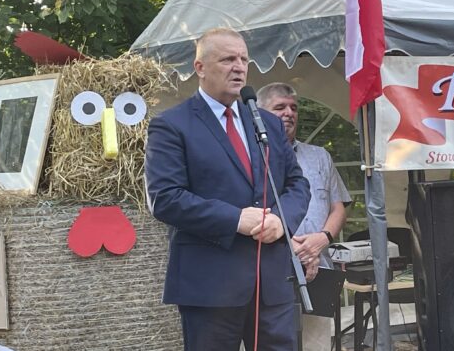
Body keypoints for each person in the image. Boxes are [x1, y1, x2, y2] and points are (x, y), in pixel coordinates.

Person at [145, 28, 310, 351]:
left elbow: (296, 184)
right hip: (211, 284)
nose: (239, 67)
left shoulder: (267, 123)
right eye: (227, 59)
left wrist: (281, 220)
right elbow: (165, 198)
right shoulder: (172, 125)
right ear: (200, 68)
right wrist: (236, 219)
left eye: (244, 59)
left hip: (271, 281)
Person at [257, 82, 352, 351]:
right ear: (259, 113)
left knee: (316, 345)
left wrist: (322, 239)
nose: (289, 112)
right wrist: (293, 248)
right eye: (279, 107)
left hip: (318, 269)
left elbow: (339, 207)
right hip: (270, 271)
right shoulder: (249, 157)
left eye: (293, 108)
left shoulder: (319, 156)